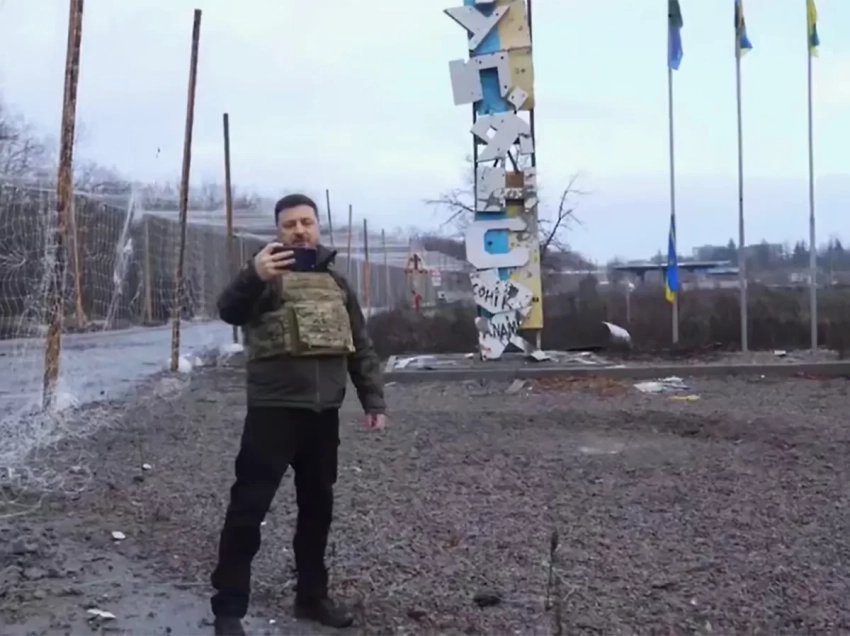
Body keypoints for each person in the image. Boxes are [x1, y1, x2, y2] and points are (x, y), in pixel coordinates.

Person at [210, 193, 387, 636]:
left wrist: (373, 400)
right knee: (248, 510)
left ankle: (311, 598)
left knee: (317, 511)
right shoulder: (265, 275)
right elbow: (228, 310)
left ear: (317, 226)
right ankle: (228, 610)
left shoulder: (336, 282)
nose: (299, 231)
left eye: (306, 222)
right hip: (273, 413)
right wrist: (253, 275)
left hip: (323, 415)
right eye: (289, 225)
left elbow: (360, 344)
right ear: (279, 231)